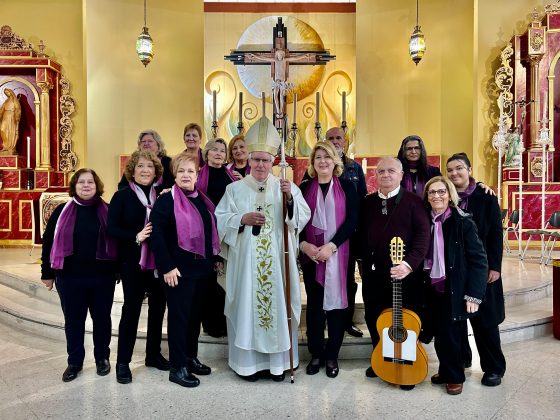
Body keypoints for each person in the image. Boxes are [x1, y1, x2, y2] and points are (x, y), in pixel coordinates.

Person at [215, 116, 311, 381]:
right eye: (256, 159)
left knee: (278, 310)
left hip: (278, 267)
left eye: (265, 160)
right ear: (248, 160)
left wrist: (290, 199)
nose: (260, 164)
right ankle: (248, 366)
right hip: (246, 266)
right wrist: (241, 220)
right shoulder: (234, 189)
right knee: (247, 308)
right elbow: (220, 221)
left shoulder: (285, 187)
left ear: (272, 163)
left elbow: (301, 218)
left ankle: (278, 365)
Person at [149, 152, 221, 388]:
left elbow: (208, 231)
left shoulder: (201, 198)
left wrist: (215, 257)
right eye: (181, 171)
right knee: (180, 319)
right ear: (175, 175)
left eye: (191, 171)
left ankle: (190, 358)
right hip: (177, 271)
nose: (186, 175)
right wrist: (167, 266)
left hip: (201, 270)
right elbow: (157, 236)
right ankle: (177, 366)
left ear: (197, 174)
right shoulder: (166, 200)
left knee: (194, 318)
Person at [359, 157, 430, 390]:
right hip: (374, 276)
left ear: (401, 175)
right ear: (375, 176)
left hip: (406, 275)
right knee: (374, 317)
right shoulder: (367, 202)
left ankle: (408, 362)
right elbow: (359, 235)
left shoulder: (414, 202)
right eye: (381, 171)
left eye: (391, 171)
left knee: (406, 319)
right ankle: (381, 357)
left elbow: (422, 236)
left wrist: (409, 265)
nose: (386, 175)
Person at [41, 168, 117, 382]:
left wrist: (118, 270)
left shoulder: (108, 210)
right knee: (74, 321)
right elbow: (48, 242)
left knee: (102, 319)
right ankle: (74, 361)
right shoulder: (61, 211)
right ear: (74, 186)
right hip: (69, 277)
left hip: (102, 277)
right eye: (81, 182)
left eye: (90, 182)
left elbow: (118, 243)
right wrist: (47, 272)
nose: (86, 186)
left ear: (97, 186)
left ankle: (102, 357)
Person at [108, 150, 168, 384]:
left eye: (150, 167)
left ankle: (153, 354)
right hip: (132, 262)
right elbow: (111, 229)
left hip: (158, 263)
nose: (145, 170)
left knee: (158, 310)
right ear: (132, 171)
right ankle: (123, 362)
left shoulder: (163, 197)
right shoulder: (121, 196)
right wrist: (136, 235)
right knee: (131, 311)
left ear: (156, 172)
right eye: (140, 166)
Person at [423, 176, 488, 395]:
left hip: (454, 286)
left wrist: (474, 295)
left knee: (451, 333)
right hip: (430, 285)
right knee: (440, 333)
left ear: (450, 195)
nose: (436, 196)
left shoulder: (462, 222)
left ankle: (454, 376)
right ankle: (446, 369)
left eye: (441, 192)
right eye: (432, 192)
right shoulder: (424, 220)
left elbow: (479, 260)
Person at [299, 141, 358, 378]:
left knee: (335, 309)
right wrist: (305, 245)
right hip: (312, 257)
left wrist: (331, 247)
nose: (322, 161)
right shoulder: (303, 189)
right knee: (314, 308)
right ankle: (316, 354)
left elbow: (352, 221)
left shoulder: (347, 187)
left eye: (327, 156)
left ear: (335, 161)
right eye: (318, 157)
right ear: (313, 163)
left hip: (338, 255)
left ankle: (332, 355)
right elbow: (296, 222)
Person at [446, 153, 506, 387]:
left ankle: (493, 368)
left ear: (469, 170)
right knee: (457, 316)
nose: (454, 173)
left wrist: (495, 266)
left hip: (482, 268)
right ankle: (462, 360)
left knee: (485, 321)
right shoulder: (447, 196)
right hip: (456, 268)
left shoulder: (485, 195)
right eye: (449, 170)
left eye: (459, 168)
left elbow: (495, 233)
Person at [325, 126, 367, 338]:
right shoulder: (319, 165)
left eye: (338, 138)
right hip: (324, 236)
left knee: (348, 279)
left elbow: (363, 200)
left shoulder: (354, 168)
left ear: (345, 141)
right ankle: (327, 318)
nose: (335, 141)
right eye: (330, 138)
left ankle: (347, 320)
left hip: (348, 235)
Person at [197, 138, 237, 337]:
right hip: (205, 234)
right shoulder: (198, 177)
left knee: (226, 280)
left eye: (222, 150)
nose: (219, 153)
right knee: (209, 280)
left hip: (226, 234)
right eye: (215, 150)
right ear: (207, 153)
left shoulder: (231, 177)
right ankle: (211, 324)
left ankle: (225, 322)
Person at [247, 49, 313, 118]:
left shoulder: (285, 60)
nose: (280, 56)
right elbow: (264, 58)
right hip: (276, 82)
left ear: (283, 55)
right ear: (277, 55)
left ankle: (281, 111)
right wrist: (255, 56)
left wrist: (304, 56)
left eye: (282, 54)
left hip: (282, 82)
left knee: (281, 96)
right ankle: (278, 110)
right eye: (279, 54)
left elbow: (295, 58)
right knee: (275, 96)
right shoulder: (275, 60)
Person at [0, 88, 22, 154]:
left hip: (12, 117)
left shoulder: (15, 101)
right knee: (2, 130)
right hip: (5, 116)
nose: (7, 93)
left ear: (11, 92)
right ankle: (5, 146)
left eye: (8, 92)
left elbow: (18, 110)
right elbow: (2, 109)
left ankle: (11, 147)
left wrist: (17, 118)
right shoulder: (6, 101)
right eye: (6, 93)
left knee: (11, 131)